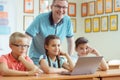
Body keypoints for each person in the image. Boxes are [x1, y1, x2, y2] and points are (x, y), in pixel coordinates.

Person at [25, 0, 74, 65]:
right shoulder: (40, 19)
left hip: (54, 61)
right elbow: (27, 38)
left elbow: (70, 42)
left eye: (64, 7)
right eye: (58, 6)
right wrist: (24, 59)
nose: (61, 10)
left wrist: (69, 58)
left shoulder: (67, 20)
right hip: (37, 60)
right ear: (51, 7)